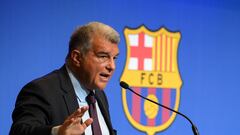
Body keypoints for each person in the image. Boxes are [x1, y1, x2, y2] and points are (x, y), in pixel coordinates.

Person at [10, 22, 120, 135]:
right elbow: (20, 131)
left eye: (114, 58)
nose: (112, 66)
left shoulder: (99, 95)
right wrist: (56, 132)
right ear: (77, 58)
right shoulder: (41, 90)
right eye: (103, 56)